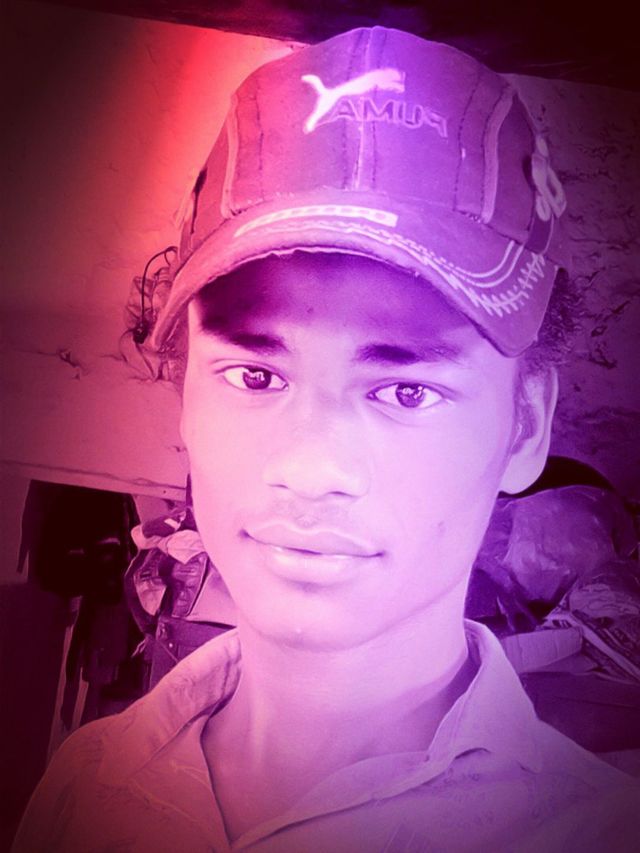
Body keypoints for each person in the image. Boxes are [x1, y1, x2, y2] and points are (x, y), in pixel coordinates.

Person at [12, 25, 639, 852]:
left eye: (406, 391)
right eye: (255, 376)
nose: (310, 467)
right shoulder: (83, 788)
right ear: (184, 395)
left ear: (524, 426)